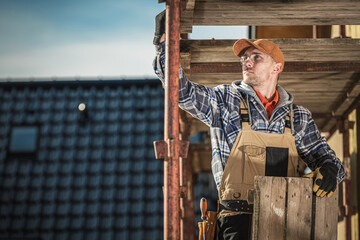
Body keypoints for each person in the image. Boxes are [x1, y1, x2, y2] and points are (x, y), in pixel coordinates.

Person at [153, 10, 345, 240]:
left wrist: (330, 169)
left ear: (277, 67)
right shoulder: (225, 100)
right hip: (237, 221)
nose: (247, 61)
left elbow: (333, 165)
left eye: (256, 57)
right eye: (244, 57)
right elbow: (182, 93)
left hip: (289, 220)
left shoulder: (298, 118)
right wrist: (165, 47)